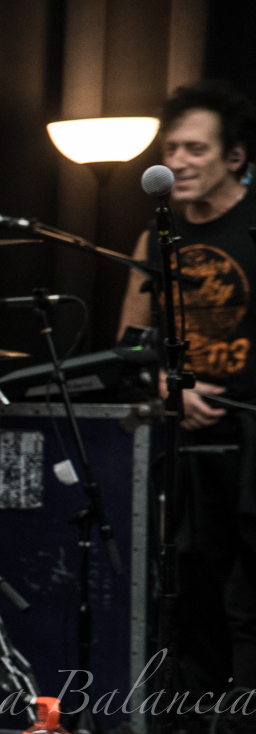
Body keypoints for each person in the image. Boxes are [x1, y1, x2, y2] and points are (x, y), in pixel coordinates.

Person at [117, 79, 256, 692]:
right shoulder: (157, 236)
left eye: (196, 149)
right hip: (184, 431)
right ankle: (199, 710)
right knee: (188, 571)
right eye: (171, 149)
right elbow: (129, 342)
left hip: (249, 427)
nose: (179, 161)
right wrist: (168, 383)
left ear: (234, 157)